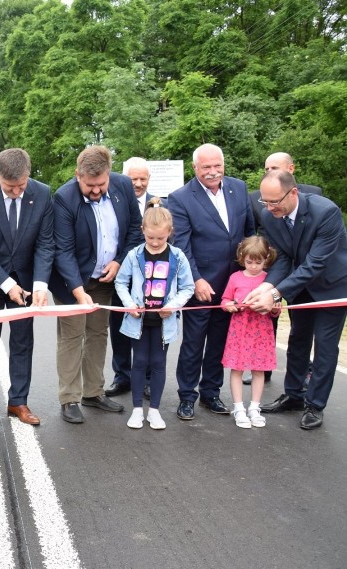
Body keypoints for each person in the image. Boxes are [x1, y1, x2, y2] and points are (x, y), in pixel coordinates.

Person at [244, 170, 347, 430]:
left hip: (333, 287)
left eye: (274, 202)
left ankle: (315, 405)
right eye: (264, 202)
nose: (268, 208)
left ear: (293, 193)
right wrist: (266, 286)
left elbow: (315, 263)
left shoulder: (326, 212)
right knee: (297, 339)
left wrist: (276, 294)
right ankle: (293, 395)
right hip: (301, 286)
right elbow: (285, 258)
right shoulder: (270, 215)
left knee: (324, 347)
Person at [50, 145, 142, 425]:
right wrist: (78, 292)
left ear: (109, 175)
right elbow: (63, 251)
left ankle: (93, 392)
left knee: (98, 334)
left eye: (101, 184)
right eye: (89, 185)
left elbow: (134, 230)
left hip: (105, 278)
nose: (96, 190)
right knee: (72, 336)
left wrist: (118, 261)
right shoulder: (64, 198)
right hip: (72, 282)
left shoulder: (123, 186)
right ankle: (70, 398)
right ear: (78, 175)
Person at [0, 148, 54, 428]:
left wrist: (39, 285)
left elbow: (45, 243)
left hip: (27, 282)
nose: (17, 192)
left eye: (22, 186)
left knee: (22, 343)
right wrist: (6, 284)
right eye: (10, 187)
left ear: (29, 175)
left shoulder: (42, 193)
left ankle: (18, 401)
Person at [167, 143, 254, 421]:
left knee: (219, 341)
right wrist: (196, 280)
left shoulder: (239, 188)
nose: (213, 172)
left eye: (218, 165)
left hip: (233, 287)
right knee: (193, 343)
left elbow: (249, 233)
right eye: (206, 167)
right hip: (201, 286)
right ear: (195, 168)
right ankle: (187, 396)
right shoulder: (180, 198)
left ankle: (211, 392)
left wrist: (247, 279)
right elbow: (182, 247)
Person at [115, 198, 194, 430]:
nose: (156, 242)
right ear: (143, 231)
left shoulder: (178, 257)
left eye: (161, 238)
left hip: (164, 322)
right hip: (137, 321)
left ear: (170, 232)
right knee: (138, 362)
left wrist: (174, 305)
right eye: (150, 238)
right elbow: (121, 282)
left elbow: (187, 288)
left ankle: (155, 411)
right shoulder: (133, 255)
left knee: (159, 363)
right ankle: (137, 410)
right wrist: (130, 304)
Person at [245, 152, 321, 385]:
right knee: (269, 321)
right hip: (275, 266)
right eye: (266, 169)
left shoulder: (315, 196)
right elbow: (257, 237)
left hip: (308, 272)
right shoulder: (257, 200)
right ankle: (262, 367)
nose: (270, 173)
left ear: (291, 168)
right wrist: (267, 283)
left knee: (301, 330)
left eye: (275, 168)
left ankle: (304, 377)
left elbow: (314, 247)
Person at [107, 157, 156, 399]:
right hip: (121, 278)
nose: (137, 183)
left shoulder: (159, 204)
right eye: (133, 178)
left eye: (142, 179)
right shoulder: (113, 201)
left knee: (147, 330)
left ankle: (146, 379)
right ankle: (122, 376)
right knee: (119, 329)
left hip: (151, 280)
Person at [221, 236, 280, 429]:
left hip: (261, 331)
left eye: (259, 262)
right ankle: (238, 407)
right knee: (237, 369)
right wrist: (229, 306)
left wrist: (274, 307)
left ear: (266, 259)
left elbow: (275, 309)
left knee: (259, 369)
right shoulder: (235, 277)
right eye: (249, 262)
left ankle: (255, 408)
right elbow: (225, 300)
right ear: (242, 258)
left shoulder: (269, 280)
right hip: (239, 330)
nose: (254, 266)